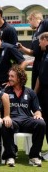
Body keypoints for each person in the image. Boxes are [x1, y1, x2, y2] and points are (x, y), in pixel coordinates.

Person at [0, 65, 45, 167]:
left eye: (12, 76)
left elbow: (37, 110)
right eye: (9, 76)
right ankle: (10, 156)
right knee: (6, 125)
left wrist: (38, 115)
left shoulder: (30, 92)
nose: (9, 78)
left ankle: (34, 156)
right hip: (12, 120)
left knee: (41, 123)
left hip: (27, 120)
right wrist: (4, 117)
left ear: (19, 78)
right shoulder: (5, 91)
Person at [17, 11, 48, 89]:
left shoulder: (44, 23)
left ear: (33, 18)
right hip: (37, 63)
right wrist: (22, 48)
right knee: (35, 87)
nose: (29, 23)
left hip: (45, 61)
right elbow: (33, 52)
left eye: (29, 21)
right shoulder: (35, 34)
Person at [36, 32, 48, 160]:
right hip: (44, 92)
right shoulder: (45, 54)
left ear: (45, 40)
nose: (39, 44)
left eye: (40, 41)